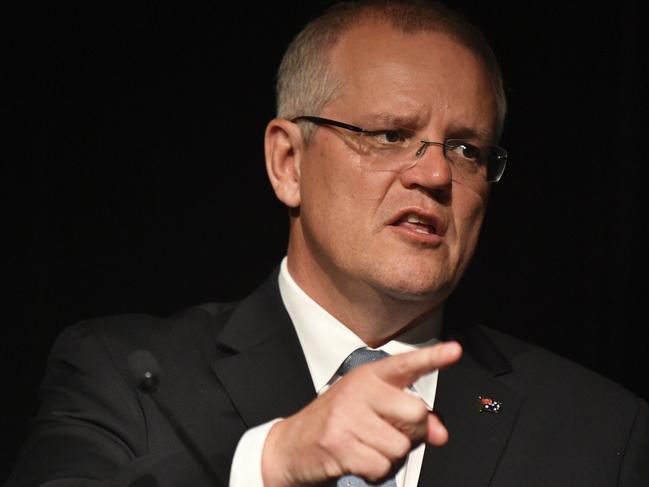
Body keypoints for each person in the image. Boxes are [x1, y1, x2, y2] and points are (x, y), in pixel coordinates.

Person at [6, 1, 648, 486]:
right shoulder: (125, 377)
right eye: (391, 135)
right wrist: (269, 465)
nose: (434, 174)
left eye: (467, 149)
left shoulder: (600, 429)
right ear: (288, 162)